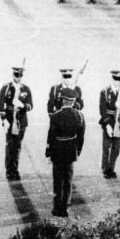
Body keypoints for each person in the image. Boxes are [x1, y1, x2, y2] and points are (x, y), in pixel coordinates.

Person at [45, 86, 85, 218]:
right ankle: (65, 206)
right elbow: (81, 136)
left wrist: (48, 152)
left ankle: (57, 207)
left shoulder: (56, 116)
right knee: (68, 180)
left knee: (58, 180)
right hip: (70, 151)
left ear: (63, 100)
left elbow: (51, 136)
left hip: (57, 150)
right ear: (73, 101)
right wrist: (77, 150)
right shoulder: (79, 116)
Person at [0, 65, 32, 180]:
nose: (18, 77)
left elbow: (30, 105)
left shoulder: (26, 89)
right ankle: (9, 170)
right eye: (16, 75)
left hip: (21, 120)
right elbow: (0, 105)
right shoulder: (6, 88)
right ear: (13, 75)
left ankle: (15, 169)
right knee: (9, 145)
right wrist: (4, 120)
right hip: (9, 119)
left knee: (17, 146)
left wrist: (22, 105)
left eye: (20, 75)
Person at [97, 68, 120, 179]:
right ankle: (105, 168)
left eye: (119, 79)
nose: (117, 82)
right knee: (106, 147)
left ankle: (111, 168)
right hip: (109, 121)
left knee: (116, 148)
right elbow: (102, 109)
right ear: (112, 79)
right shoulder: (105, 91)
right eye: (115, 79)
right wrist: (107, 124)